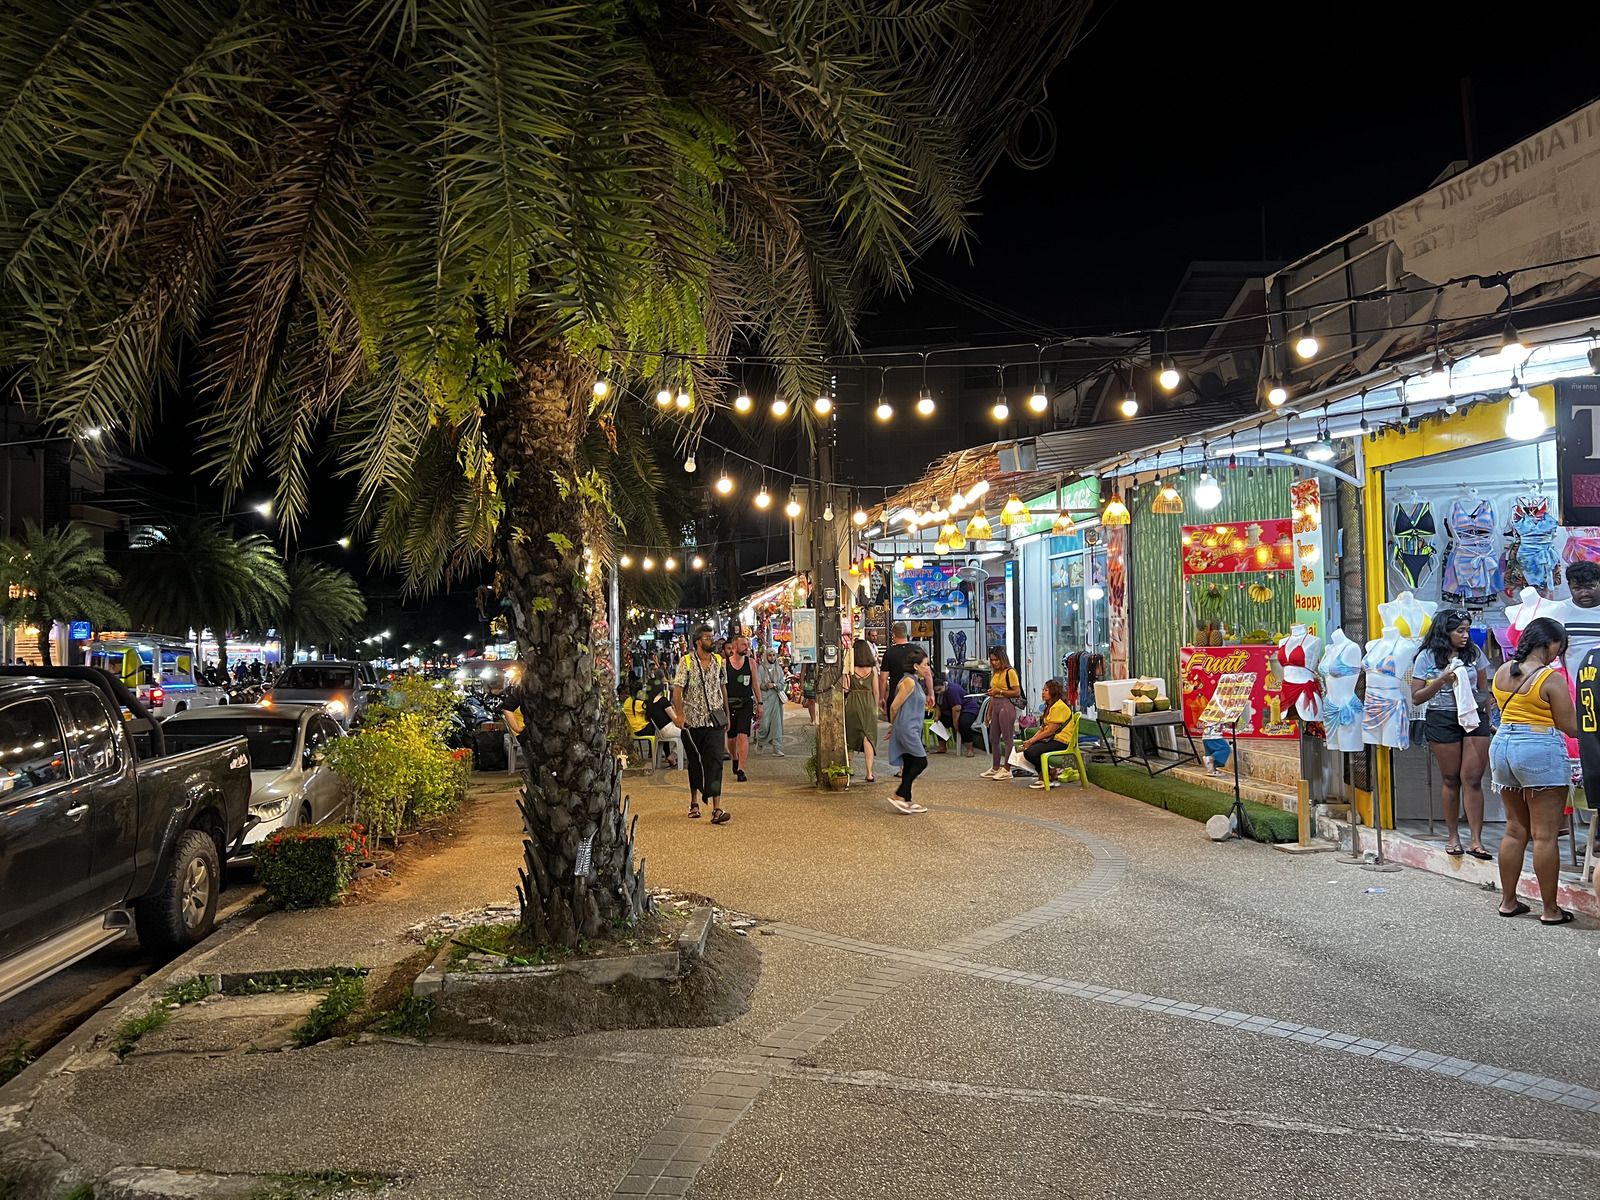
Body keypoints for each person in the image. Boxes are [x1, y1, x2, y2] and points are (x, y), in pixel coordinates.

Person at [1489, 617, 1577, 924]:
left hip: (1502, 747)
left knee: (1515, 829)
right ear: (1550, 644)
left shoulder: (1502, 671)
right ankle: (1550, 910)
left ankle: (1508, 901)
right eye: (1559, 648)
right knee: (1545, 836)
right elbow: (1569, 725)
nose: (1558, 654)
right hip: (1539, 748)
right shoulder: (1549, 678)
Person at [1410, 608, 1491, 858]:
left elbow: (1483, 688)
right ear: (1445, 632)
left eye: (1467, 630)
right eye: (1460, 631)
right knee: (1450, 778)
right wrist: (1441, 681)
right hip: (1442, 716)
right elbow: (1416, 697)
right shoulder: (1426, 657)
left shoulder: (1474, 653)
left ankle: (1476, 840)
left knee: (1473, 778)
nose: (1466, 635)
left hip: (1474, 716)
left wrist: (1490, 719)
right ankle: (1453, 836)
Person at [672, 625, 731, 824]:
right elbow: (678, 690)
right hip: (692, 723)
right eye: (708, 638)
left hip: (714, 721)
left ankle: (717, 808)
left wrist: (727, 715)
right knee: (695, 762)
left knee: (715, 762)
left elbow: (723, 688)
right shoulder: (686, 662)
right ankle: (694, 802)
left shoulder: (719, 661)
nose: (712, 641)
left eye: (713, 637)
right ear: (698, 641)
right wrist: (680, 715)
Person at [886, 646, 930, 814]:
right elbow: (894, 706)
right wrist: (893, 725)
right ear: (915, 666)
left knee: (910, 762)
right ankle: (899, 794)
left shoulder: (914, 681)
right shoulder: (909, 682)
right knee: (920, 761)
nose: (927, 668)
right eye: (925, 664)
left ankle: (907, 799)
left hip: (911, 727)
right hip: (907, 727)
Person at [1020, 678, 1076, 788]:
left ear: (1053, 692)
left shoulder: (1058, 706)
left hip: (1062, 740)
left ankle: (1045, 775)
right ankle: (1047, 773)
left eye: (1046, 690)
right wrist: (1030, 741)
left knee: (1031, 753)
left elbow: (1050, 730)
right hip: (1052, 739)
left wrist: (1032, 741)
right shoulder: (1050, 706)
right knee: (1028, 750)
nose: (1043, 692)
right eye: (1043, 689)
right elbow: (1042, 728)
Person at [843, 639, 882, 782]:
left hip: (852, 703)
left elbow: (846, 689)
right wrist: (875, 709)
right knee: (869, 737)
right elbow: (876, 692)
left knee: (850, 736)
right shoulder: (873, 669)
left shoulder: (850, 669)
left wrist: (846, 675)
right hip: (868, 704)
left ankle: (849, 769)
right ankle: (869, 773)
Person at [982, 646, 1021, 780]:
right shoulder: (995, 673)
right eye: (992, 660)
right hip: (996, 706)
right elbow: (992, 694)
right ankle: (995, 767)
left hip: (1006, 706)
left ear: (1002, 659)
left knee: (1007, 738)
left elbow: (1017, 692)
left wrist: (999, 692)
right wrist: (988, 714)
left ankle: (1007, 768)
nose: (994, 663)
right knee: (993, 738)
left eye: (996, 660)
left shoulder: (1010, 672)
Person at [724, 634, 758, 782]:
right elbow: (722, 687)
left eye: (747, 644)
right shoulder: (724, 664)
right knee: (731, 739)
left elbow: (755, 684)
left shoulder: (750, 663)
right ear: (735, 646)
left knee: (743, 735)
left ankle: (741, 769)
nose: (746, 647)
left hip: (746, 703)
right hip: (729, 704)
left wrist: (760, 703)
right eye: (743, 645)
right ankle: (735, 758)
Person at [642, 676, 680, 769]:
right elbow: (674, 719)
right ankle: (673, 755)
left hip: (659, 731)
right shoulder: (663, 701)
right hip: (669, 729)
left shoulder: (649, 703)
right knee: (687, 734)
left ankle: (673, 757)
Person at [754, 649, 787, 755]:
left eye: (773, 655)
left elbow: (782, 683)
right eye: (769, 655)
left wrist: (775, 685)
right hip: (765, 700)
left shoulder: (778, 669)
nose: (772, 657)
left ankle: (776, 748)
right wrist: (765, 686)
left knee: (777, 724)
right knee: (764, 724)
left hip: (776, 700)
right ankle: (760, 742)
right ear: (765, 656)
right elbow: (758, 684)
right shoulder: (761, 668)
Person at [934, 674, 965, 754]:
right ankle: (942, 746)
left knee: (961, 723)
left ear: (944, 685)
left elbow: (956, 708)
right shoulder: (939, 694)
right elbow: (938, 705)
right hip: (947, 712)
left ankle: (968, 747)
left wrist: (955, 723)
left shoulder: (952, 690)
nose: (938, 692)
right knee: (938, 723)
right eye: (936, 691)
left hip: (960, 711)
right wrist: (937, 716)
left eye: (939, 689)